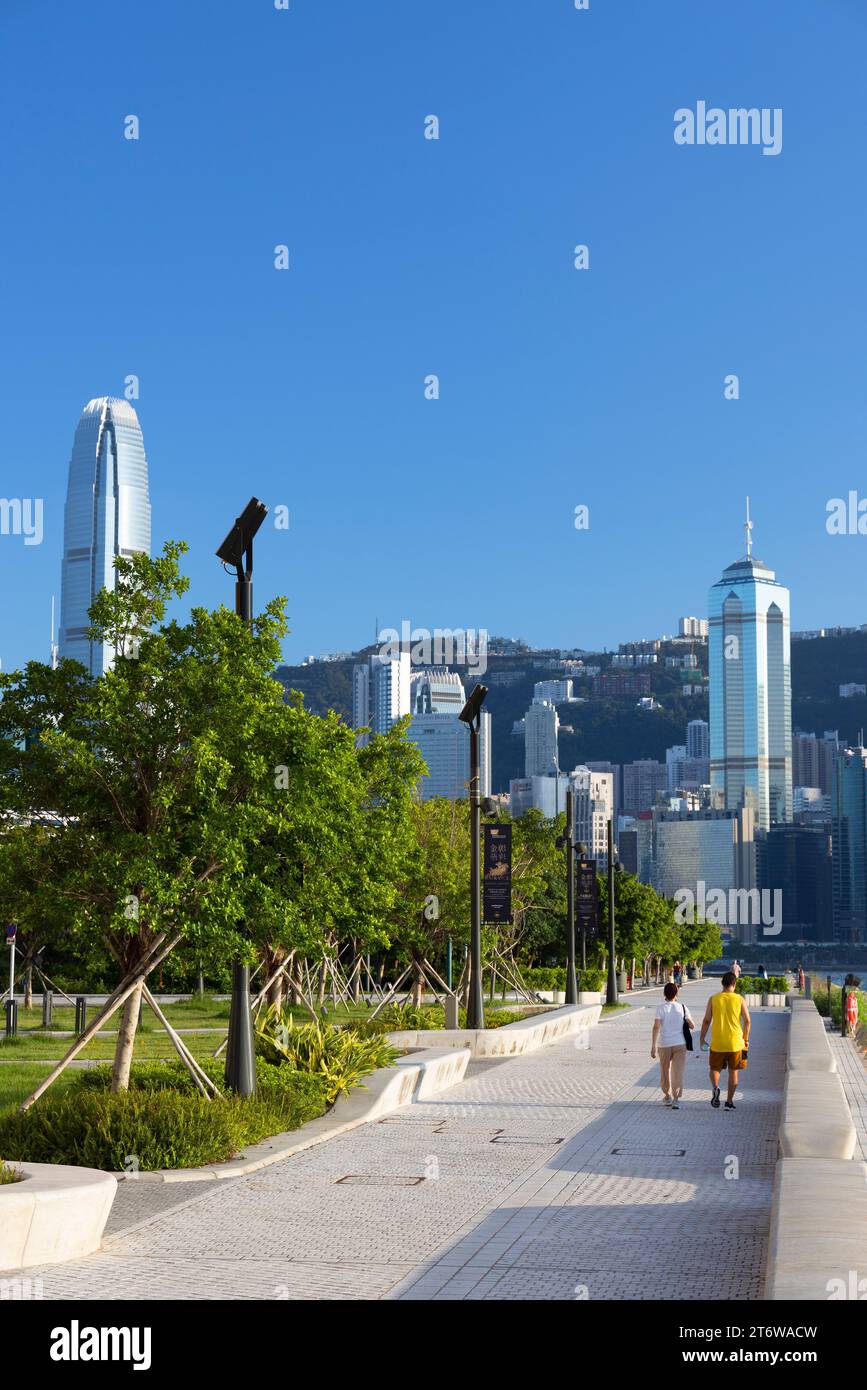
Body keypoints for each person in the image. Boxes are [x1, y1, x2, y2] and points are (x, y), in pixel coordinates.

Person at [700, 971, 750, 1111]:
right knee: (734, 1072)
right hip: (735, 1043)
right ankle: (729, 1102)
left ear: (722, 983)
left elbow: (707, 1020)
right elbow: (747, 1021)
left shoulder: (714, 998)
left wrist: (702, 1038)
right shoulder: (739, 999)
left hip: (718, 1042)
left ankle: (716, 1087)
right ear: (734, 984)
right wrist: (745, 1039)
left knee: (714, 1069)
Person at [651, 982, 695, 1110]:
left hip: (664, 1044)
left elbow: (656, 1027)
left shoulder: (660, 1008)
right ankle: (676, 1099)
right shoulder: (682, 1007)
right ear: (676, 993)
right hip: (680, 1043)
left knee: (665, 1070)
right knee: (678, 1072)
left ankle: (667, 1096)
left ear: (664, 994)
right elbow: (692, 1025)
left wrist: (653, 1046)